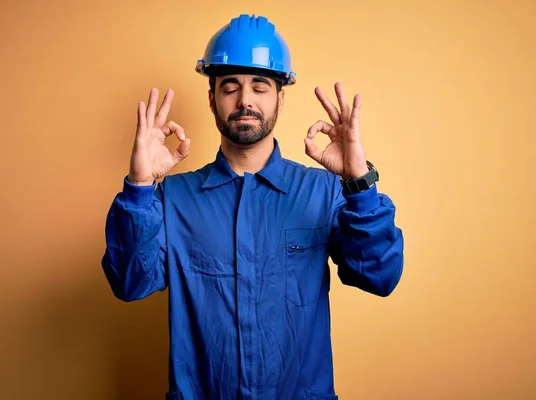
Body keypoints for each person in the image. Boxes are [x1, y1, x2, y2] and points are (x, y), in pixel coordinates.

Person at [102, 14, 404, 400]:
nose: (245, 100)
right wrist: (140, 187)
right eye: (230, 87)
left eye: (260, 86)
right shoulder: (173, 198)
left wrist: (359, 183)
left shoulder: (324, 192)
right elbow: (130, 283)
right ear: (212, 99)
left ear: (280, 97)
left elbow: (381, 276)